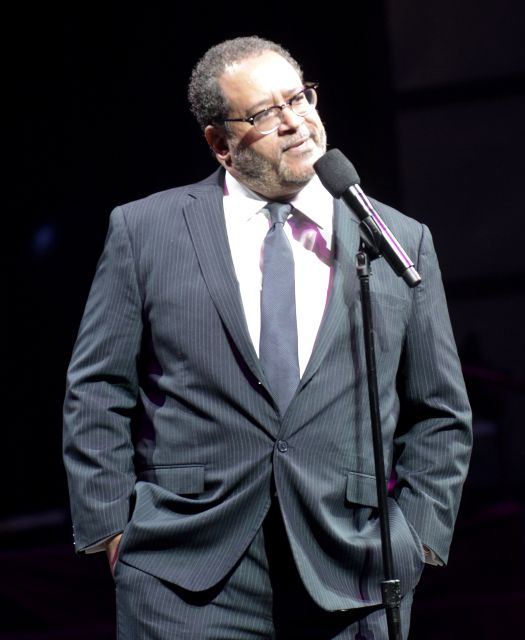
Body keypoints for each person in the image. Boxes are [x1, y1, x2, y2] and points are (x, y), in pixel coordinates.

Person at [62, 35, 471, 639]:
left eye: (298, 98)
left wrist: (419, 537)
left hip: (352, 567)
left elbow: (440, 410)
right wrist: (112, 530)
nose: (294, 122)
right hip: (183, 570)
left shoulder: (397, 239)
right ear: (220, 144)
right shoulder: (145, 230)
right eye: (263, 113)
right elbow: (97, 388)